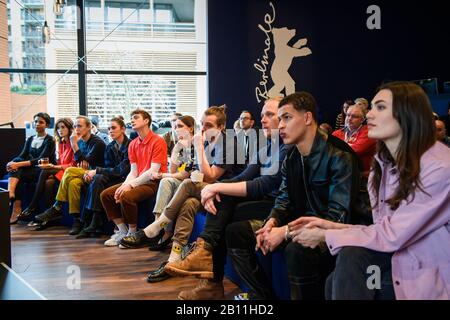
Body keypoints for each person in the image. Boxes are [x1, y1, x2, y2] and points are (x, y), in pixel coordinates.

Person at [290, 81, 450, 300]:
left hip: (429, 271)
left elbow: (392, 235)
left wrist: (326, 234)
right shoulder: (383, 164)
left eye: (380, 107)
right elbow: (385, 228)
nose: (370, 115)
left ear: (408, 114)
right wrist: (329, 225)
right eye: (372, 108)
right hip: (399, 257)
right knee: (338, 275)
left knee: (349, 260)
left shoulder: (439, 167)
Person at [226, 92, 366, 300]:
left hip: (333, 232)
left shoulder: (340, 156)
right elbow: (284, 198)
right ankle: (261, 297)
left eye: (287, 118)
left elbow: (337, 217)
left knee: (298, 251)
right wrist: (272, 221)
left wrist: (285, 231)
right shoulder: (291, 156)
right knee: (236, 232)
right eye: (279, 119)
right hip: (300, 224)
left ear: (307, 118)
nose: (280, 125)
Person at [162, 98, 292, 300]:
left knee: (221, 198)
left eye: (270, 115)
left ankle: (206, 261)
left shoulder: (287, 148)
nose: (263, 120)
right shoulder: (267, 147)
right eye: (262, 115)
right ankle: (209, 277)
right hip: (262, 201)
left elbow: (263, 185)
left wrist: (216, 187)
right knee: (220, 197)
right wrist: (216, 188)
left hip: (277, 207)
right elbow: (242, 178)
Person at [119, 106, 244, 277]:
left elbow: (212, 176)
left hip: (228, 193)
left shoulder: (228, 144)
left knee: (186, 185)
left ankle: (157, 227)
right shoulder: (205, 142)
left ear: (221, 127)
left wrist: (198, 149)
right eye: (202, 124)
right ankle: (174, 258)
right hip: (210, 191)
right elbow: (191, 171)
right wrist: (183, 151)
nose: (203, 129)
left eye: (208, 125)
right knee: (188, 203)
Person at [119, 115, 196, 250]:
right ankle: (161, 231)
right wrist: (176, 148)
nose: (176, 129)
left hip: (190, 182)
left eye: (180, 126)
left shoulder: (195, 145)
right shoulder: (182, 145)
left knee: (166, 181)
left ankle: (159, 229)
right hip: (180, 180)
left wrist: (161, 174)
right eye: (175, 126)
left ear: (190, 128)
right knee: (167, 181)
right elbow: (173, 171)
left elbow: (184, 175)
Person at [100, 109, 167, 247]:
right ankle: (122, 231)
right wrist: (124, 185)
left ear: (146, 120)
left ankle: (132, 233)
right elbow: (133, 172)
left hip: (154, 182)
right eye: (131, 118)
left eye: (136, 117)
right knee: (106, 195)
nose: (132, 120)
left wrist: (129, 186)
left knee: (127, 196)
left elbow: (152, 171)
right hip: (139, 181)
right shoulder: (133, 143)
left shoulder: (158, 141)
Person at [34, 116, 106, 234]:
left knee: (69, 171)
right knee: (73, 183)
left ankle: (57, 206)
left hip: (95, 175)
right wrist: (80, 156)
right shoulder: (81, 141)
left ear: (89, 127)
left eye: (79, 126)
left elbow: (86, 164)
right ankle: (77, 220)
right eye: (75, 126)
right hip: (82, 174)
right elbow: (80, 163)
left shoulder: (98, 143)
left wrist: (74, 144)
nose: (76, 129)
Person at [76, 116, 131, 238]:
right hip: (115, 178)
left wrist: (96, 171)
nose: (110, 131)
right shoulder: (110, 146)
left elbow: (122, 170)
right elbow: (108, 167)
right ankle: (94, 221)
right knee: (97, 178)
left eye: (113, 128)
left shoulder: (130, 145)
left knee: (98, 176)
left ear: (123, 129)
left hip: (127, 179)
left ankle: (87, 221)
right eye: (109, 128)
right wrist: (93, 174)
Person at [18, 118, 76, 222]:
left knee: (45, 171)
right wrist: (54, 167)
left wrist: (54, 167)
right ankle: (49, 215)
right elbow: (60, 162)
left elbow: (73, 164)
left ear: (70, 128)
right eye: (58, 128)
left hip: (70, 172)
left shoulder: (73, 142)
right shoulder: (62, 142)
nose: (60, 130)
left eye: (63, 127)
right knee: (48, 182)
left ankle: (33, 205)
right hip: (61, 171)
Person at [7, 112, 56, 224]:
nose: (37, 124)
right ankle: (15, 203)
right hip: (30, 171)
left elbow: (41, 159)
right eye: (36, 122)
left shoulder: (50, 140)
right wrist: (12, 162)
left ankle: (14, 202)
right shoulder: (30, 139)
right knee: (16, 165)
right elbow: (22, 155)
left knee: (17, 167)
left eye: (41, 122)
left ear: (47, 125)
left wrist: (17, 164)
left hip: (43, 170)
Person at [332, 104, 377, 176]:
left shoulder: (368, 132)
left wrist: (337, 148)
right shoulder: (336, 133)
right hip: (339, 174)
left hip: (362, 177)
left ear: (362, 119)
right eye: (348, 115)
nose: (349, 118)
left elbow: (354, 151)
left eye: (354, 116)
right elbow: (328, 152)